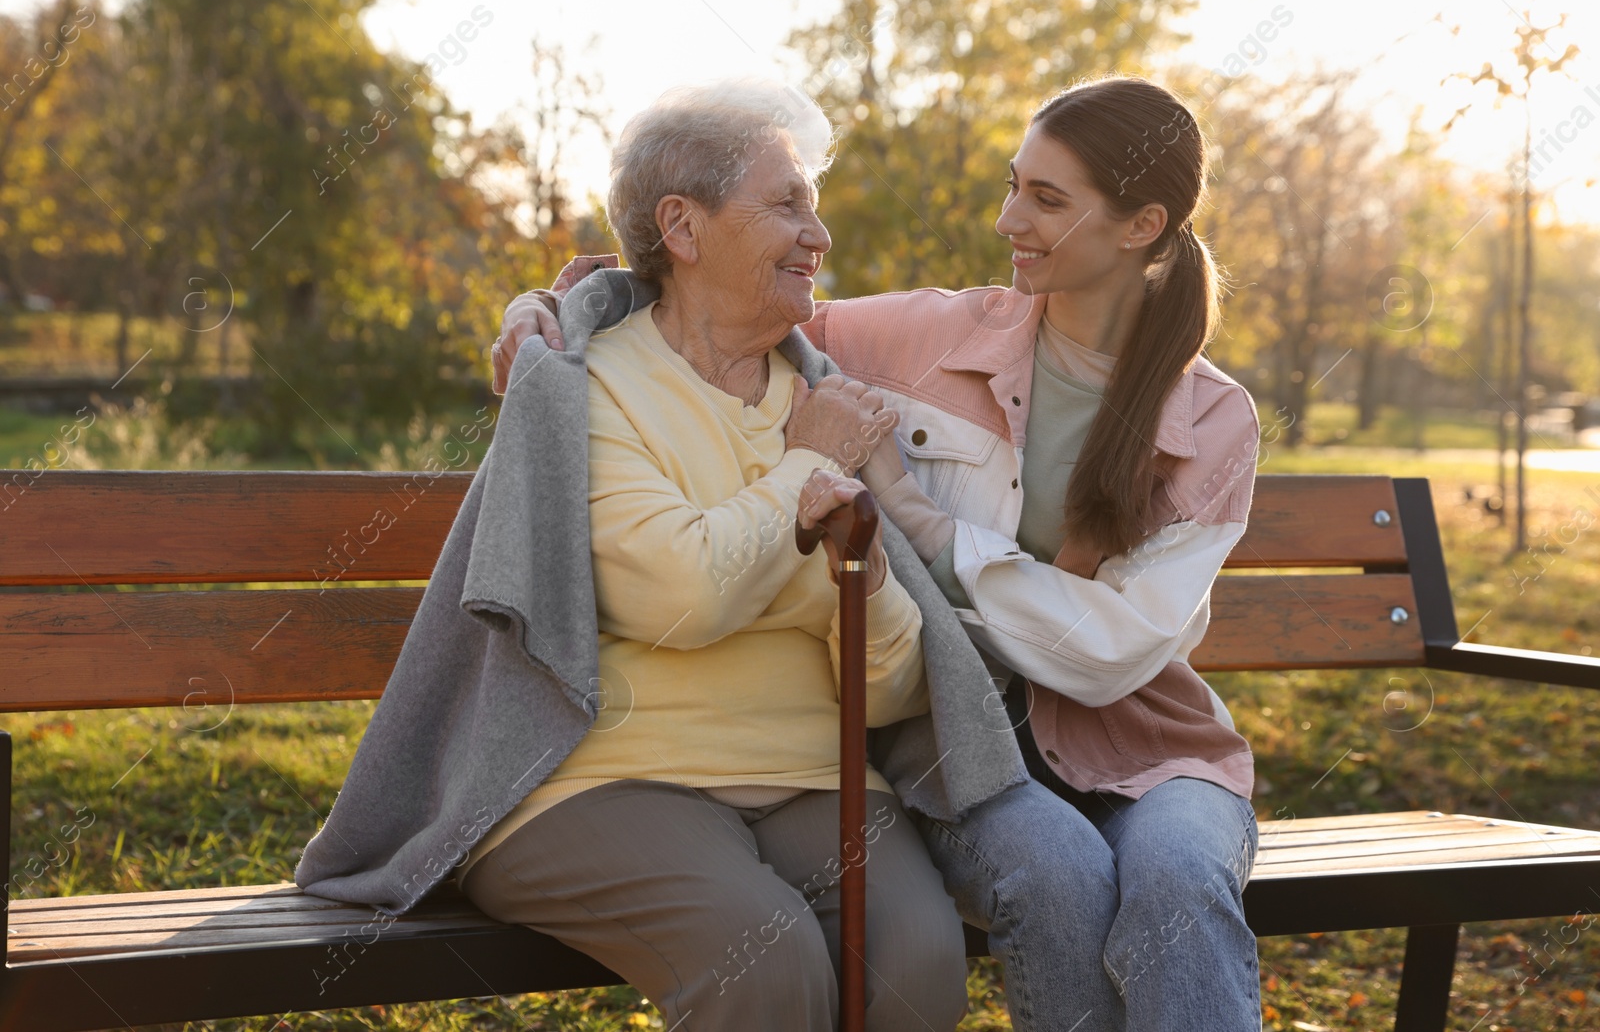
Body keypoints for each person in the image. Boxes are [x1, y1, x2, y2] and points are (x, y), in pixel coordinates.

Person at [499, 75, 1262, 1031]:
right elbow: (710, 290)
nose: (1007, 217)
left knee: (1183, 881)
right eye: (1013, 183)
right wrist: (550, 306)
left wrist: (927, 529)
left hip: (1151, 743)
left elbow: (1110, 652)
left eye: (1047, 200)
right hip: (962, 742)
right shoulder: (926, 338)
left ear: (1143, 224)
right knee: (1059, 876)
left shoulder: (1212, 418)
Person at [303, 80, 997, 1032]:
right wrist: (801, 471)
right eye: (787, 203)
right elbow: (684, 596)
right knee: (767, 964)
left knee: (917, 962)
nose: (819, 233)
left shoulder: (825, 387)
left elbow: (883, 692)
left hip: (812, 774)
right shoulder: (591, 383)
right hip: (604, 779)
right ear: (683, 224)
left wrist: (864, 583)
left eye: (814, 205)